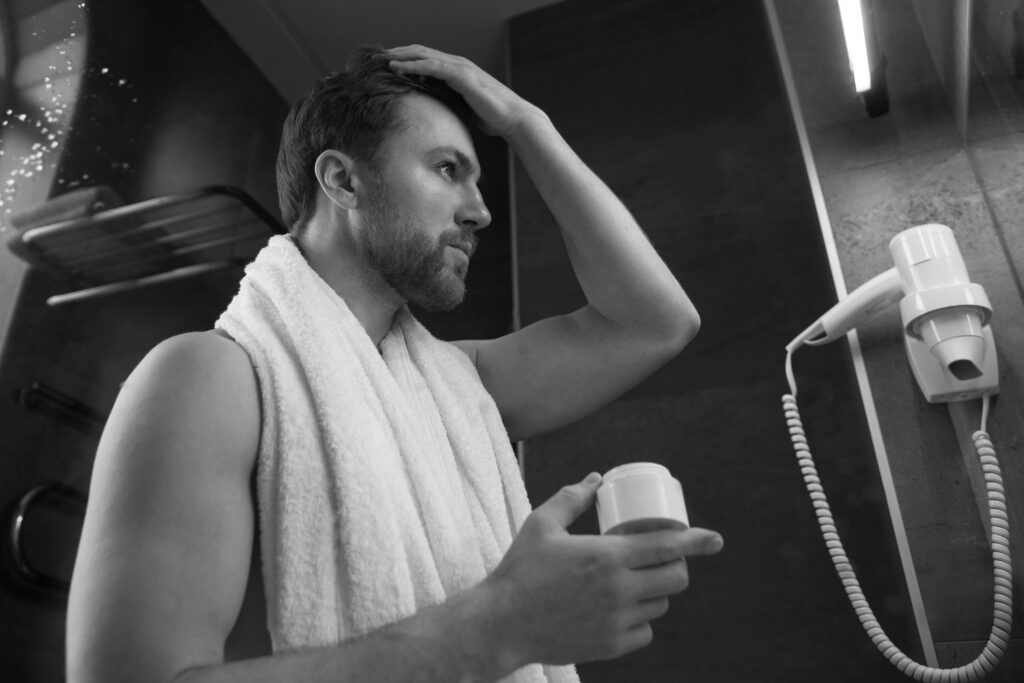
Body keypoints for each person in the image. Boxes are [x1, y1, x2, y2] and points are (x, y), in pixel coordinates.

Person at [66, 45, 723, 683]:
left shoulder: (464, 386)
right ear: (342, 179)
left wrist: (529, 125)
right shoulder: (209, 379)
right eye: (446, 168)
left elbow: (654, 322)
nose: (480, 211)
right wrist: (498, 629)